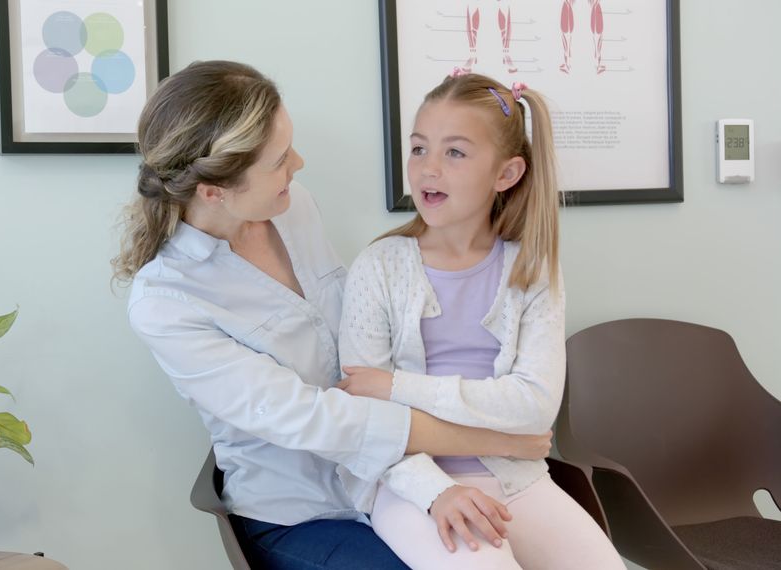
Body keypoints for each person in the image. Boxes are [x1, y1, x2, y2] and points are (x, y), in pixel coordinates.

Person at [114, 60, 552, 570]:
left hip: (393, 479)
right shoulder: (166, 302)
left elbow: (365, 351)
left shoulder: (292, 206)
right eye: (279, 160)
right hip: (304, 513)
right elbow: (316, 419)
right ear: (215, 191)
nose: (298, 164)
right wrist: (492, 439)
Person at [337, 71, 624, 569]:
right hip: (409, 483)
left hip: (518, 478)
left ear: (506, 174)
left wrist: (395, 385)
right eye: (419, 148)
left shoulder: (532, 269)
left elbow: (533, 408)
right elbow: (365, 417)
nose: (428, 169)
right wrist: (437, 492)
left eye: (455, 152)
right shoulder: (379, 267)